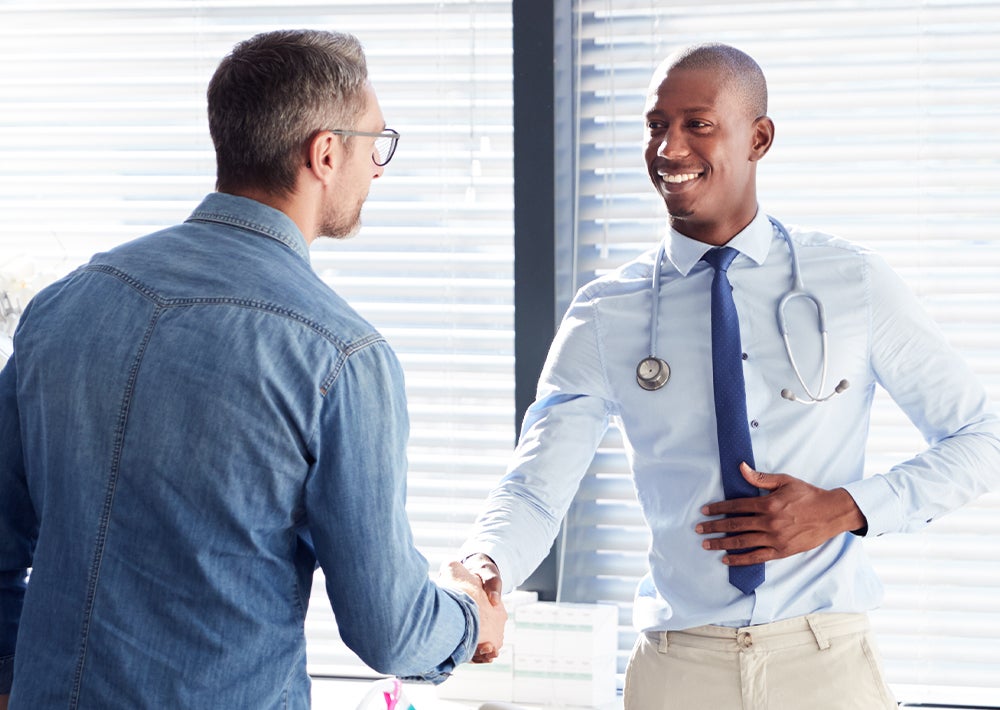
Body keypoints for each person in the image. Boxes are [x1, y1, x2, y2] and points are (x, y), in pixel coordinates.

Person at [460, 42, 1000, 709]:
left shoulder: (851, 282)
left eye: (697, 124)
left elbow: (982, 438)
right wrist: (487, 565)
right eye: (657, 125)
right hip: (677, 670)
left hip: (826, 663)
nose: (668, 148)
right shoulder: (606, 312)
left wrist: (846, 509)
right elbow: (537, 486)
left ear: (759, 138)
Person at [0, 29, 505, 710]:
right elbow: (389, 626)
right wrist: (472, 616)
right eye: (375, 145)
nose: (379, 169)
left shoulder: (63, 306)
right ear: (325, 153)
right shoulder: (341, 356)